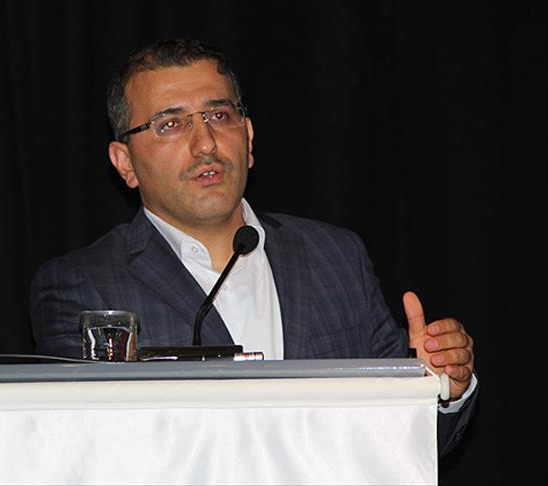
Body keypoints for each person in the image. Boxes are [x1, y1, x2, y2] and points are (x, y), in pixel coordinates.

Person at [30, 38, 477, 456]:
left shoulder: (336, 257)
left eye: (219, 116)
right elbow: (95, 451)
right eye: (170, 124)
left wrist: (441, 388)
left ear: (248, 137)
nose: (205, 143)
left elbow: (400, 447)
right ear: (125, 162)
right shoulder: (84, 287)